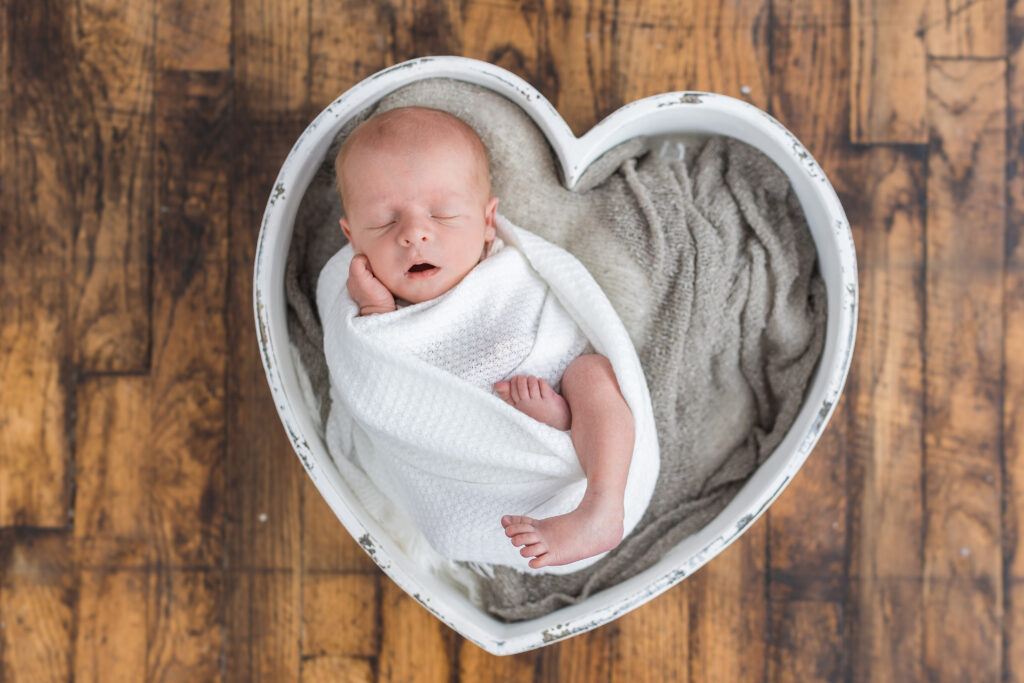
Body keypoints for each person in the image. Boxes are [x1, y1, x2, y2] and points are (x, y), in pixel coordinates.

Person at [333, 106, 635, 569]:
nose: (414, 234)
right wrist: (376, 313)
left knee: (592, 373)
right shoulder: (368, 309)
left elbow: (563, 331)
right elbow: (385, 388)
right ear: (353, 238)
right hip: (477, 455)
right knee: (452, 526)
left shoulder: (506, 268)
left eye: (443, 214)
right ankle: (553, 430)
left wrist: (562, 411)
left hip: (556, 386)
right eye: (383, 223)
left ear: (488, 221)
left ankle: (601, 501)